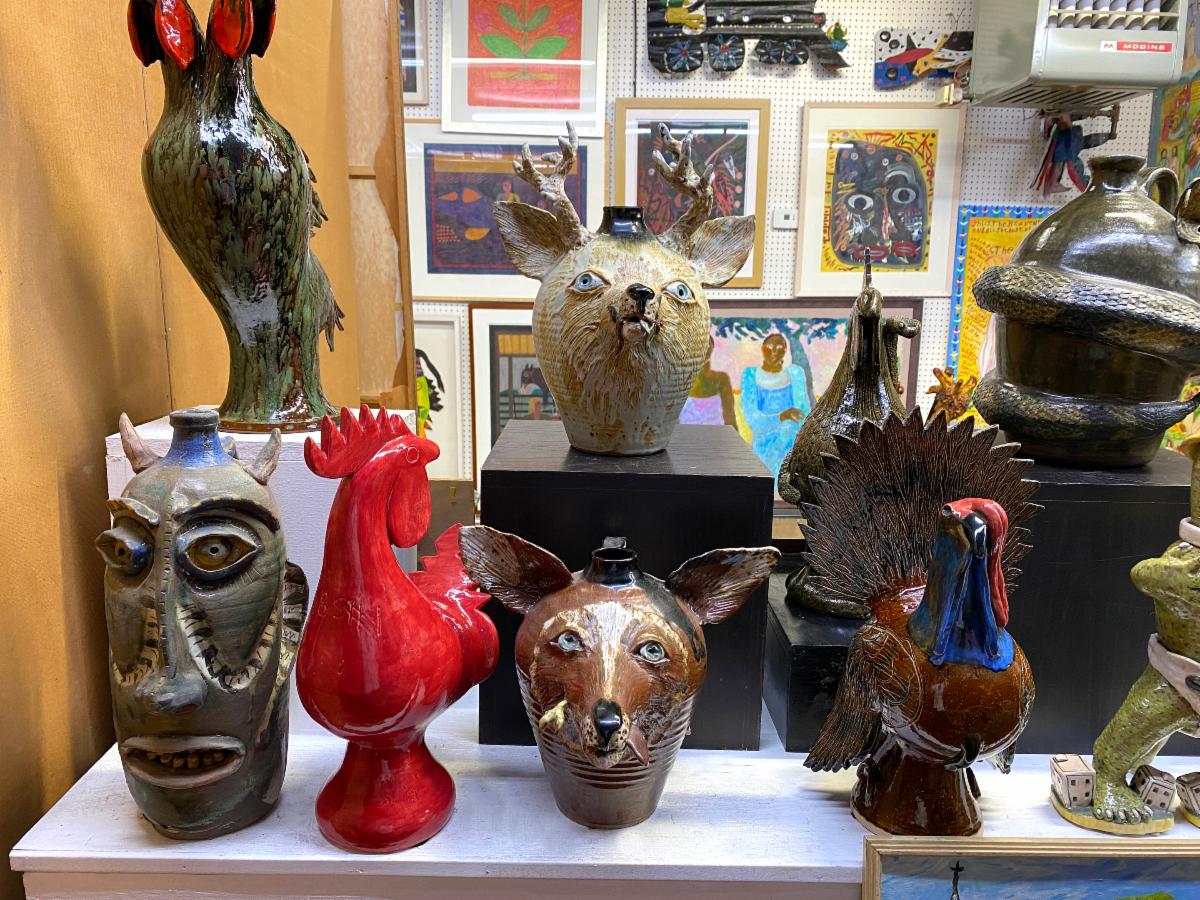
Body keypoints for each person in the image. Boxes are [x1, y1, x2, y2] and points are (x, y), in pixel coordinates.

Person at [740, 333, 811, 489]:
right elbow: (754, 421)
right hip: (764, 443)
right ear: (762, 349)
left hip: (791, 441)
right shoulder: (751, 375)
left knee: (789, 430)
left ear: (785, 350)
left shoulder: (795, 374)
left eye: (779, 348)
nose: (774, 352)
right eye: (770, 347)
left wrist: (788, 423)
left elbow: (803, 414)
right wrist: (782, 416)